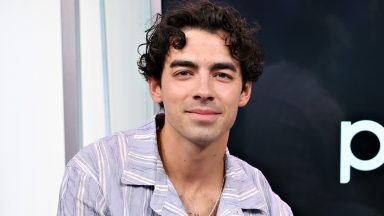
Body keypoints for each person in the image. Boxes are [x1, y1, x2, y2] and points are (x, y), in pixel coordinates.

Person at [57, 1, 293, 215]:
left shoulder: (266, 203)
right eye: (184, 73)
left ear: (244, 92)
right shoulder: (95, 174)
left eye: (221, 75)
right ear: (156, 87)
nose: (204, 90)